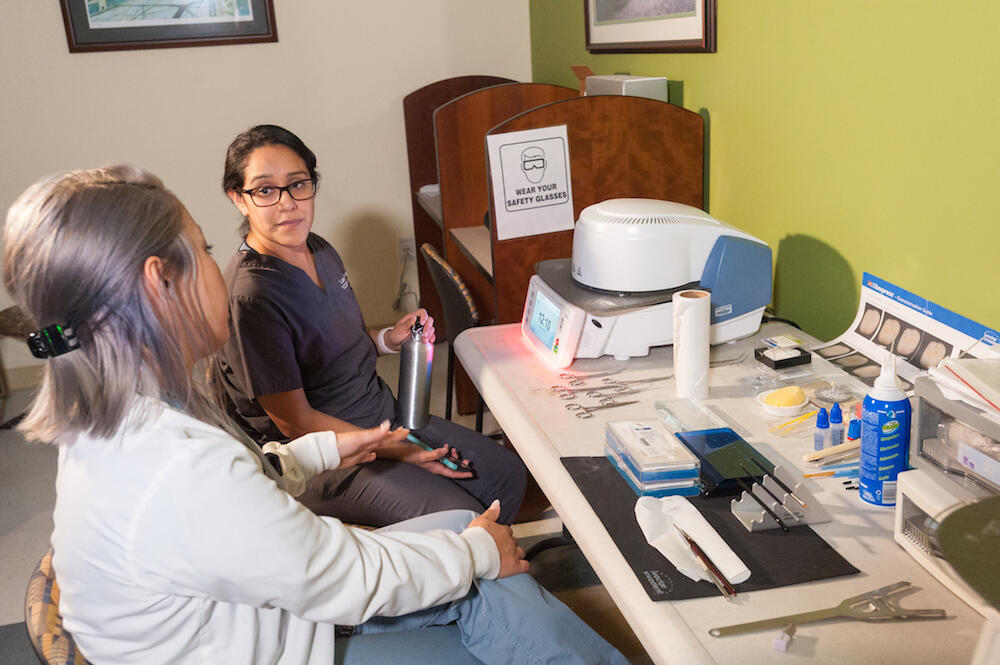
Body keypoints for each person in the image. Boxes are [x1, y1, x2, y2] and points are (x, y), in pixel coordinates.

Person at [3, 165, 628, 665]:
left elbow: (234, 507)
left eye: (299, 184)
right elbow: (339, 576)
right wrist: (477, 556)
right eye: (205, 249)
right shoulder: (178, 465)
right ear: (158, 283)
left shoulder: (116, 424)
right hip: (273, 630)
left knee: (475, 554)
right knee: (484, 567)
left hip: (250, 614)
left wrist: (326, 450)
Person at [216, 124, 528, 526]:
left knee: (506, 476)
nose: (287, 203)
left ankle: (483, 578)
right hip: (325, 456)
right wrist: (399, 449)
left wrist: (388, 338)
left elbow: (331, 340)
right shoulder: (252, 296)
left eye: (297, 184)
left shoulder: (317, 249)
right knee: (458, 520)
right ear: (238, 199)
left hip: (382, 416)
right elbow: (294, 421)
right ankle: (460, 576)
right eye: (264, 190)